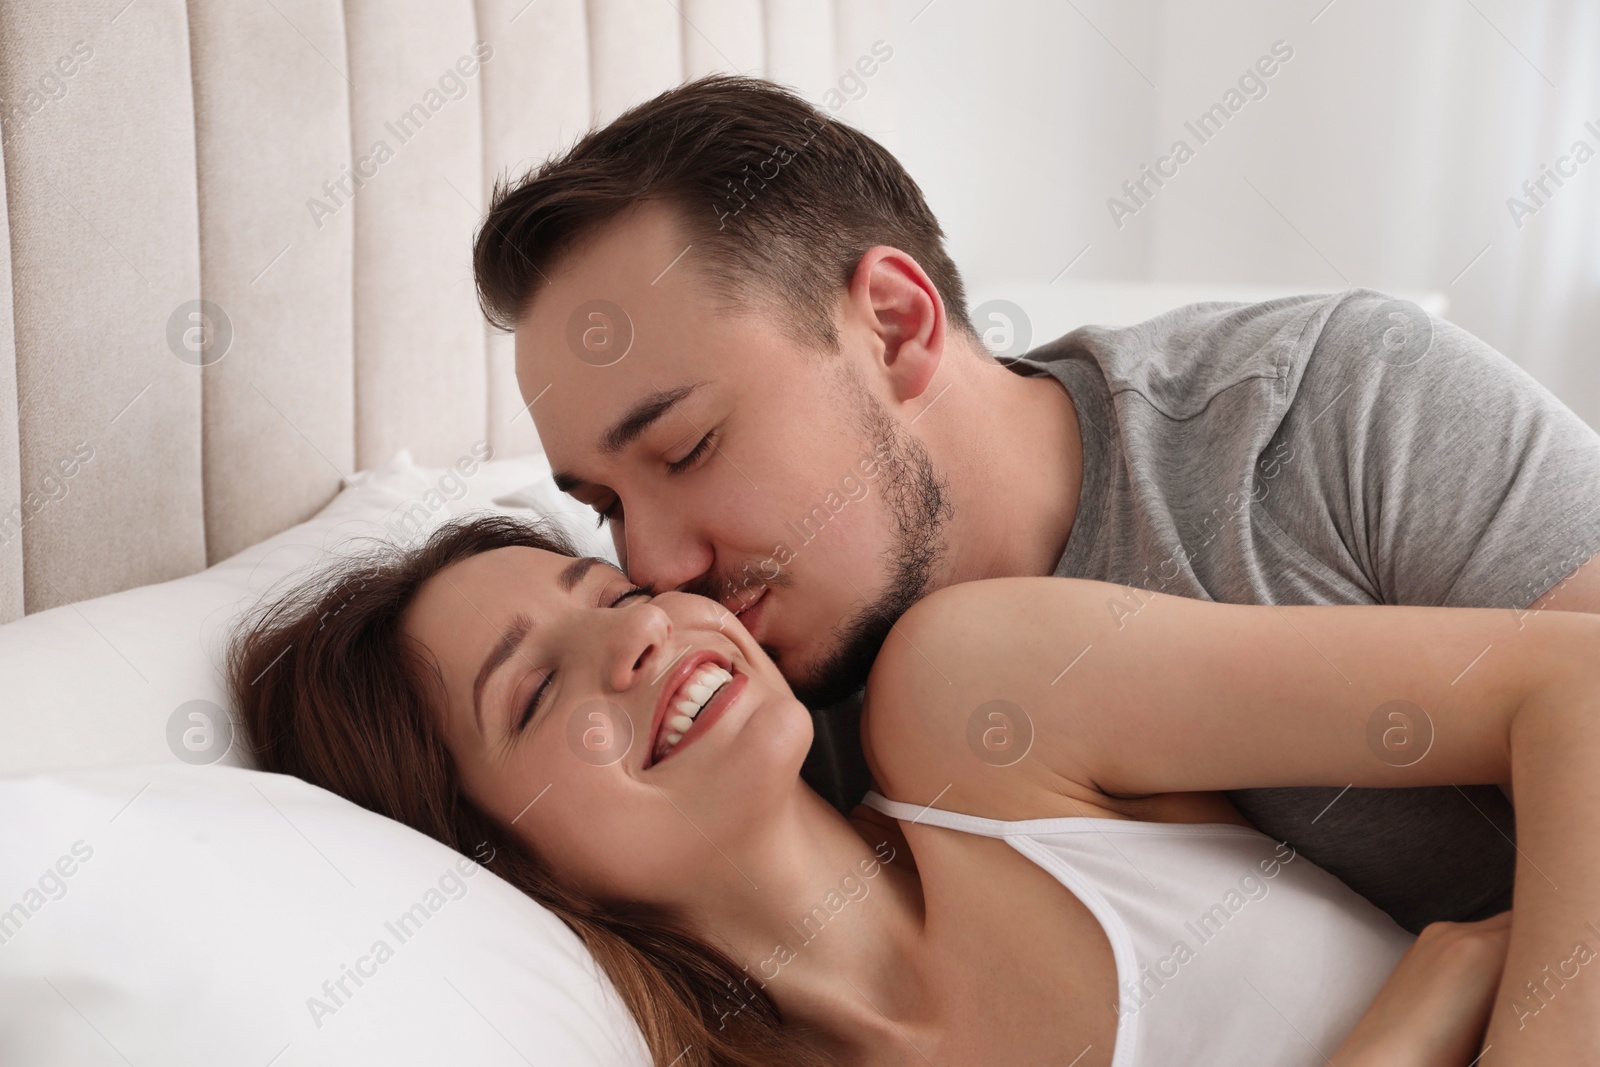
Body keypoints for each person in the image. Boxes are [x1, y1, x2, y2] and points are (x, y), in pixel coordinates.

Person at [470, 74, 1600, 934]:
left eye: (688, 445)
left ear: (896, 328)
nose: (656, 565)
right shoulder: (750, 738)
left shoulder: (1327, 407)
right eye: (605, 505)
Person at [229, 513, 1600, 1066]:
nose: (642, 631)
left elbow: (1577, 684)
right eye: (533, 693)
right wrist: (1417, 1006)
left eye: (618, 589)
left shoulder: (976, 705)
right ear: (502, 866)